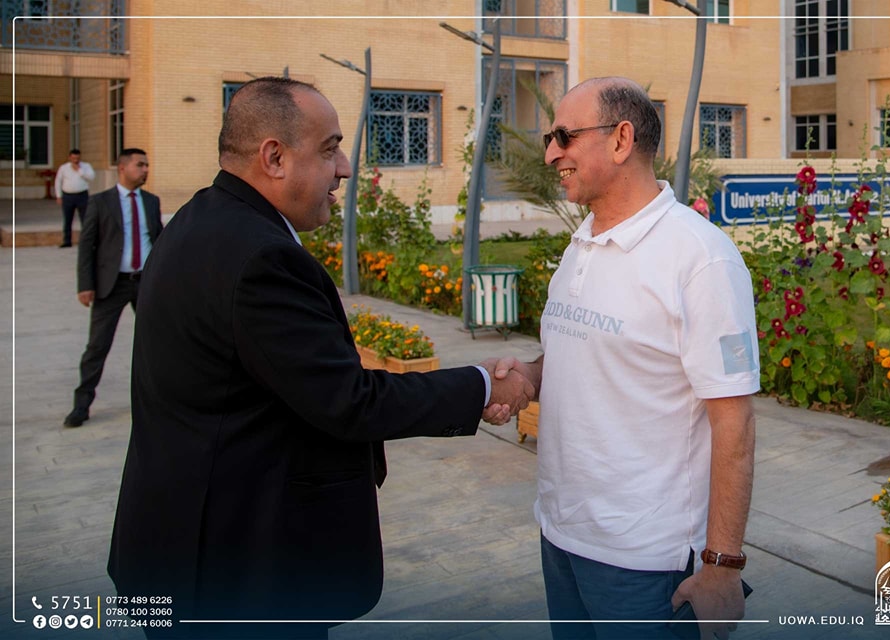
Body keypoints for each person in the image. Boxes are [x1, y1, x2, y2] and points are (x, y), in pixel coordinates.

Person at [106, 77, 533, 639]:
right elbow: (348, 401)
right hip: (236, 574)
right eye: (330, 149)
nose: (345, 168)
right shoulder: (260, 257)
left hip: (180, 544)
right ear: (275, 158)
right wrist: (488, 384)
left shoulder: (199, 221)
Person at [487, 77, 760, 640]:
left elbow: (734, 422)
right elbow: (582, 353)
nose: (551, 153)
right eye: (548, 139)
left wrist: (722, 565)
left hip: (646, 561)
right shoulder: (582, 242)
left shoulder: (700, 259)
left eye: (564, 136)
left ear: (621, 140)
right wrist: (530, 377)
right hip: (560, 536)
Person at [64, 148, 160, 428]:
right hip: (112, 284)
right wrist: (85, 285)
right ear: (122, 167)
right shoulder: (100, 202)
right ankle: (81, 405)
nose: (145, 170)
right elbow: (87, 247)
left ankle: (160, 400)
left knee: (158, 342)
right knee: (97, 346)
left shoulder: (151, 202)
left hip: (145, 283)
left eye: (147, 165)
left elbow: (159, 240)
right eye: (140, 165)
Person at [54, 148, 96, 247]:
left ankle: (86, 241)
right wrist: (59, 196)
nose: (75, 160)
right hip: (68, 196)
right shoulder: (63, 168)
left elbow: (92, 177)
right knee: (68, 219)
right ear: (70, 158)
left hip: (82, 195)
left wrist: (80, 170)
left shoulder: (86, 166)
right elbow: (58, 181)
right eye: (73, 158)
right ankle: (67, 241)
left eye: (77, 158)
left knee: (85, 219)